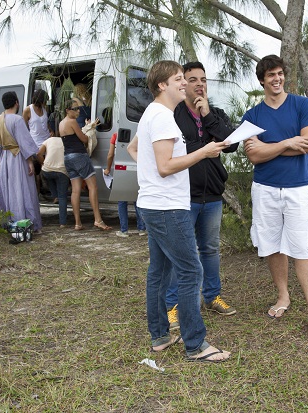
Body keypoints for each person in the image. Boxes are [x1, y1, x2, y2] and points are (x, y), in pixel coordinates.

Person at [127, 60, 231, 362]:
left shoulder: (155, 114)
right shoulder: (162, 118)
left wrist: (147, 172)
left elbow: (137, 150)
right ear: (162, 85)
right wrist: (204, 151)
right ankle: (195, 344)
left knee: (159, 272)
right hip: (167, 208)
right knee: (191, 270)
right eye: (178, 80)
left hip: (154, 204)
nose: (184, 84)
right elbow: (165, 167)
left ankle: (160, 336)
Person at [242, 55, 308, 337]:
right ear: (262, 80)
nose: (276, 79)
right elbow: (253, 155)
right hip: (264, 188)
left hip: (296, 188)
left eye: (280, 74)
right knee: (273, 246)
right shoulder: (253, 115)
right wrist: (289, 142)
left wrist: (271, 147)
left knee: (302, 247)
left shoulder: (303, 105)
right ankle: (283, 296)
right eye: (270, 75)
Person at [165, 61, 238, 329]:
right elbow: (173, 152)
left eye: (203, 79)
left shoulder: (215, 113)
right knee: (181, 252)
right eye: (192, 79)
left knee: (210, 248)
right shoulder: (173, 115)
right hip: (184, 196)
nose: (199, 84)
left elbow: (231, 144)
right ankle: (172, 306)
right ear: (182, 83)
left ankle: (212, 296)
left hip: (213, 196)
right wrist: (206, 146)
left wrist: (207, 115)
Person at [0, 91, 43, 232]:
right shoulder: (17, 120)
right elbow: (24, 143)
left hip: (5, 158)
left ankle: (10, 222)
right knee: (23, 189)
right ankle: (25, 223)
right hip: (17, 159)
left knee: (9, 190)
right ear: (16, 102)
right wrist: (30, 161)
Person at [59, 100, 112, 231]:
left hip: (68, 158)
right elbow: (83, 139)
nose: (78, 111)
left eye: (78, 109)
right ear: (67, 110)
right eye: (75, 109)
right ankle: (98, 220)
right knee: (92, 187)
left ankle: (77, 223)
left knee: (75, 190)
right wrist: (89, 129)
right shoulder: (72, 122)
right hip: (79, 156)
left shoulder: (61, 124)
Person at [103, 132, 146, 237]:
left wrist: (108, 169)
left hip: (122, 169)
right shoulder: (139, 132)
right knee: (137, 198)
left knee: (122, 200)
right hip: (137, 167)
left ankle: (124, 230)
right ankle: (142, 229)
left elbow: (110, 154)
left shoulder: (116, 135)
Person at [23, 89, 52, 198]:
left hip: (46, 141)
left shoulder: (44, 109)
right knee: (38, 169)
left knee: (48, 167)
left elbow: (45, 123)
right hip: (35, 143)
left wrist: (51, 131)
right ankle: (37, 193)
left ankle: (50, 192)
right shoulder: (28, 110)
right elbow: (24, 127)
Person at [36, 136, 69, 227]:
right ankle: (62, 223)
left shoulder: (48, 140)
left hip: (48, 169)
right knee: (63, 197)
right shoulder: (67, 141)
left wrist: (43, 163)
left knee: (48, 176)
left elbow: (38, 154)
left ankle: (55, 195)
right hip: (62, 171)